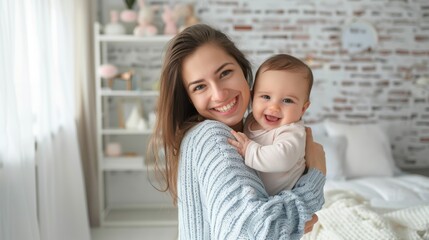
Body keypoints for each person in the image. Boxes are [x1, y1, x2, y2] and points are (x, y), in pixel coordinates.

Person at [148, 24, 326, 240]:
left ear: (243, 71)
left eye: (225, 73)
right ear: (189, 99)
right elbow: (261, 232)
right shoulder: (211, 136)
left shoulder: (250, 128)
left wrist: (290, 220)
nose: (219, 94)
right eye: (199, 87)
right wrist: (315, 178)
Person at [228, 54, 313, 196]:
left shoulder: (292, 131)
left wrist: (249, 150)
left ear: (303, 109)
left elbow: (283, 158)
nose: (274, 107)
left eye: (287, 100)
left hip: (283, 199)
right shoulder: (251, 119)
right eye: (266, 97)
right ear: (253, 97)